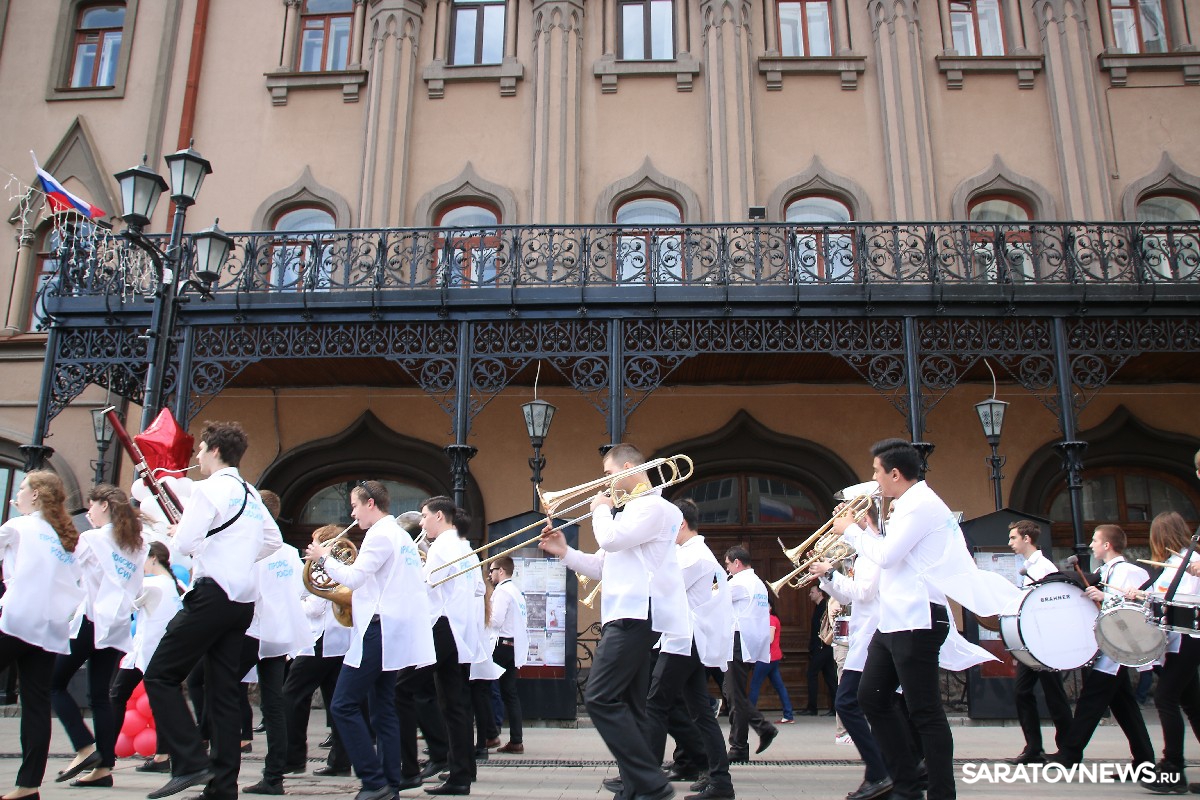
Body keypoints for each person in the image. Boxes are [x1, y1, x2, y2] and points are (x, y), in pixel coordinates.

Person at [832, 439, 1020, 800]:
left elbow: (887, 557)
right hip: (894, 619)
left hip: (917, 619)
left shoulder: (920, 505)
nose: (874, 478)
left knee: (925, 711)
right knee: (871, 697)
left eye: (876, 471)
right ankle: (905, 783)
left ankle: (939, 792)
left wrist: (851, 531)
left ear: (895, 474)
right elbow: (897, 555)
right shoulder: (906, 505)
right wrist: (866, 530)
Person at [539, 442, 690, 800]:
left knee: (599, 697)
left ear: (626, 468)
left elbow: (609, 538)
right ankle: (637, 788)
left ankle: (651, 783)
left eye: (607, 473)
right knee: (631, 706)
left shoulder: (653, 507)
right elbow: (603, 565)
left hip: (634, 614)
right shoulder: (634, 511)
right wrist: (564, 552)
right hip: (626, 613)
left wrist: (601, 509)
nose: (604, 482)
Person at [143, 421, 284, 800]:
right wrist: (237, 555)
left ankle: (190, 760)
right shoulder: (251, 492)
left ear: (216, 451)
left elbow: (184, 545)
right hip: (242, 602)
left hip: (213, 594)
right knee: (223, 693)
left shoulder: (208, 489)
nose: (199, 455)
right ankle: (223, 787)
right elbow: (273, 540)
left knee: (160, 675)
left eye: (202, 449)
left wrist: (181, 535)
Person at [306, 480, 435, 800]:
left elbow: (354, 578)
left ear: (370, 504)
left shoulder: (380, 535)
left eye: (354, 506)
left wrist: (323, 558)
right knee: (382, 708)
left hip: (379, 628)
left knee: (342, 704)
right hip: (391, 629)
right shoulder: (399, 536)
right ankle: (389, 783)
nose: (352, 513)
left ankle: (373, 780)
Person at [52, 484, 150, 787]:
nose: (89, 513)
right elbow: (136, 586)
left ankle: (85, 746)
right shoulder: (136, 545)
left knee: (52, 683)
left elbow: (67, 572)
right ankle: (104, 768)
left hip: (90, 619)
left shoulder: (93, 539)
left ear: (104, 505)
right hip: (115, 625)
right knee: (100, 697)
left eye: (91, 506)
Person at [0, 471, 84, 800]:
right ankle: (28, 786)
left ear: (35, 494)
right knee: (36, 704)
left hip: (18, 620)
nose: (18, 493)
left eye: (22, 487)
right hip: (49, 628)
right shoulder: (63, 536)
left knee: (36, 702)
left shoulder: (20, 526)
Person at [643, 498, 735, 800]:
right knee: (700, 714)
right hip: (689, 640)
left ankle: (646, 780)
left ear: (681, 523)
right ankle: (721, 782)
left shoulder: (694, 556)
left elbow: (660, 589)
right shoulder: (692, 553)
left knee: (655, 704)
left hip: (685, 640)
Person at [1047, 524, 1153, 769]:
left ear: (1107, 545)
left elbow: (1137, 606)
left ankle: (1070, 753)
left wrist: (1105, 597)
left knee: (1091, 700)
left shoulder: (1129, 571)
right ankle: (1144, 760)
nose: (1091, 544)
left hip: (1119, 645)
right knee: (1124, 706)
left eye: (1095, 540)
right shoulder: (1103, 572)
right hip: (1110, 643)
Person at [1123, 511, 1200, 793]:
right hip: (1177, 641)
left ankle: (1172, 769)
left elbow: (1187, 602)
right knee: (1192, 705)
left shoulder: (1191, 562)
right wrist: (1142, 595)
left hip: (1189, 639)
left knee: (1166, 697)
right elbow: (1164, 600)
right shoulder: (1170, 566)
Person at [240, 513, 313, 795]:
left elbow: (243, 591)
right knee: (274, 704)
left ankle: (220, 768)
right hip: (278, 632)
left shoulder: (254, 550)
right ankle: (274, 776)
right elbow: (301, 589)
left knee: (221, 692)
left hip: (254, 629)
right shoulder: (289, 552)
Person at [419, 496, 487, 795]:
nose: (422, 522)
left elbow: (425, 586)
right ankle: (461, 772)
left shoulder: (440, 547)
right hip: (461, 630)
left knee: (404, 689)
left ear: (438, 516)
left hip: (442, 625)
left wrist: (415, 566)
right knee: (455, 703)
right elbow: (479, 588)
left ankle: (434, 756)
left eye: (424, 516)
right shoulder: (466, 548)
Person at [284, 525, 357, 778]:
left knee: (292, 695)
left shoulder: (325, 567)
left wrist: (294, 603)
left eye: (313, 542)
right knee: (336, 702)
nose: (309, 547)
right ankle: (340, 761)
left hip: (320, 640)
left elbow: (315, 607)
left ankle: (293, 757)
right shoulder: (343, 567)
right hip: (341, 640)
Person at [112, 541, 186, 775]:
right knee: (162, 703)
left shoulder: (152, 584)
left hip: (146, 653)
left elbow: (123, 604)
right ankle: (163, 755)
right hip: (163, 652)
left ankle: (105, 753)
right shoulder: (175, 585)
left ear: (153, 558)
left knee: (117, 696)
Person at [1003, 519, 1073, 765]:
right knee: (1022, 691)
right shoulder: (1028, 566)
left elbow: (1051, 600)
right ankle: (1033, 747)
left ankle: (1067, 748)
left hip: (1045, 640)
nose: (1010, 542)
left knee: (1054, 694)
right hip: (1031, 640)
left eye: (1013, 538)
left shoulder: (1043, 567)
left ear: (1027, 539)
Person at [722, 547, 777, 762]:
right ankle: (760, 730)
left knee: (734, 695)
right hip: (751, 642)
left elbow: (715, 601)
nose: (727, 569)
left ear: (736, 563)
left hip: (738, 641)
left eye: (728, 564)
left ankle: (739, 746)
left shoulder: (738, 582)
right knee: (732, 692)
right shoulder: (758, 583)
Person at [486, 556, 528, 754]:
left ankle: (490, 734)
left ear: (501, 571)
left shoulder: (502, 591)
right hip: (513, 646)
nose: (490, 574)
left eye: (492, 570)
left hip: (501, 645)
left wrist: (482, 615)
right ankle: (516, 740)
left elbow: (496, 620)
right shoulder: (516, 591)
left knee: (484, 688)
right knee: (510, 693)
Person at [748, 599, 793, 724]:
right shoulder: (771, 619)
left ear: (770, 607)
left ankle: (749, 715)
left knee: (755, 685)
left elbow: (770, 639)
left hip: (767, 657)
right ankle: (788, 715)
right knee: (779, 686)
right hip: (773, 657)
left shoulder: (770, 619)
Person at [800, 586, 837, 717]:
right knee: (830, 678)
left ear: (820, 593)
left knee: (812, 674)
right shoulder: (819, 607)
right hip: (823, 647)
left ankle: (812, 707)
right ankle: (835, 708)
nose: (810, 594)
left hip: (822, 647)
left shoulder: (825, 607)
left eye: (812, 592)